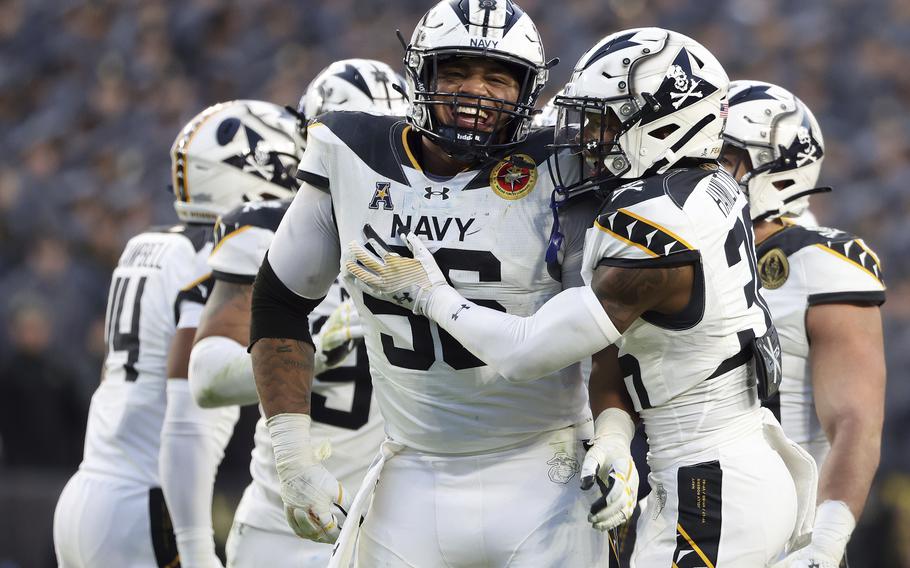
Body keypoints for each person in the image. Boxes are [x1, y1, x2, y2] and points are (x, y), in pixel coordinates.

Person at [344, 28, 818, 567]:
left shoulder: (653, 226)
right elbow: (614, 349)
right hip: (727, 458)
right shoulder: (703, 185)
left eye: (607, 119)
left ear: (662, 126)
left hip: (708, 480)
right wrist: (615, 438)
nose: (586, 135)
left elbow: (527, 353)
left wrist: (430, 295)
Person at [248, 0, 608, 565]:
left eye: (498, 78)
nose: (476, 92)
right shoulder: (350, 154)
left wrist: (613, 434)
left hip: (545, 464)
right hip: (413, 467)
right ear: (421, 75)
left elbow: (604, 323)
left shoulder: (562, 167)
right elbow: (279, 302)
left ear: (527, 91)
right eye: (457, 70)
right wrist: (293, 456)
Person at [53, 100, 302, 568]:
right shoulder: (215, 256)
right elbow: (189, 403)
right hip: (148, 502)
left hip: (87, 490)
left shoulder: (145, 244)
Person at [185, 59, 409, 567]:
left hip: (396, 521)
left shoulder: (440, 230)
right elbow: (206, 378)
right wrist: (312, 359)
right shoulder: (267, 230)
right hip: (284, 524)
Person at [720, 80, 887, 568]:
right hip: (678, 514)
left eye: (723, 157)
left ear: (778, 170)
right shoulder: (671, 250)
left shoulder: (818, 263)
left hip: (785, 537)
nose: (701, 172)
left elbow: (855, 421)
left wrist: (825, 542)